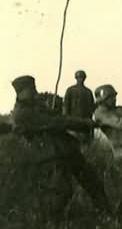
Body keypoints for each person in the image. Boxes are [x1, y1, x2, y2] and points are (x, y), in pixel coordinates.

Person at [10, 75, 112, 216]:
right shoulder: (22, 113)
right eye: (31, 89)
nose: (35, 91)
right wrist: (85, 123)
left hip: (66, 148)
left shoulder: (36, 105)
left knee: (91, 180)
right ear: (21, 91)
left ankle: (107, 213)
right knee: (62, 191)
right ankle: (50, 222)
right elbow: (58, 122)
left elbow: (58, 118)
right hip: (51, 156)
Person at [62, 70, 95, 143]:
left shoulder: (88, 92)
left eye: (82, 77)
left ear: (84, 78)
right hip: (72, 125)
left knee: (85, 147)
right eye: (79, 77)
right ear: (76, 78)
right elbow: (65, 106)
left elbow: (91, 110)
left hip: (84, 126)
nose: (80, 79)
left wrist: (90, 127)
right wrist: (65, 122)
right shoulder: (70, 90)